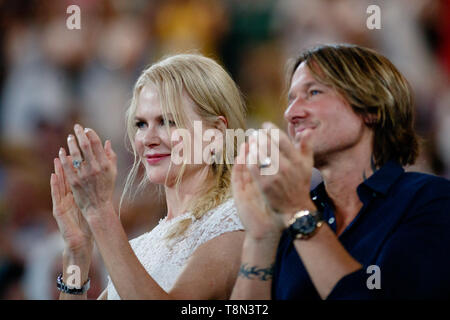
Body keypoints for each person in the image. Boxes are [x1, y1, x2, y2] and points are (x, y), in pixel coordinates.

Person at [230, 44, 450, 300]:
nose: (291, 113)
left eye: (313, 92)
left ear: (372, 110)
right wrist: (261, 237)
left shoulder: (431, 200)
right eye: (291, 99)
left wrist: (298, 212)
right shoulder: (292, 215)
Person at [50, 53, 247, 299]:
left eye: (167, 121)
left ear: (216, 133)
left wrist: (100, 212)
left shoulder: (237, 222)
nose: (148, 139)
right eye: (141, 124)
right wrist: (77, 254)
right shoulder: (140, 247)